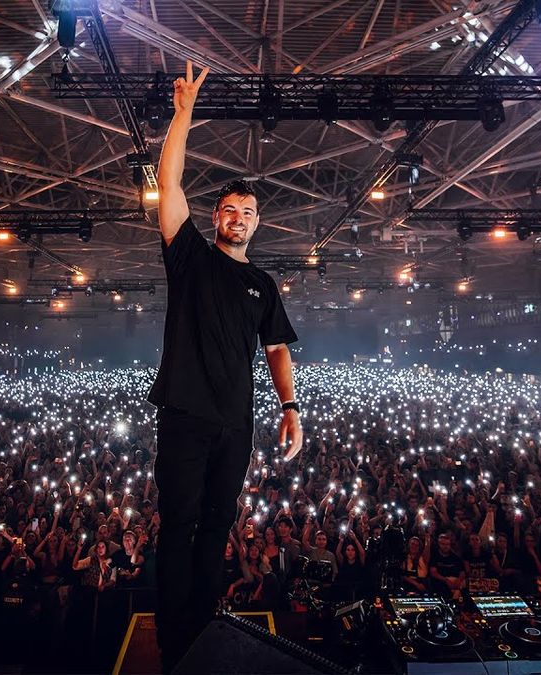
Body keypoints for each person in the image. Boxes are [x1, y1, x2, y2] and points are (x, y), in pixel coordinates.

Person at [148, 60, 303, 672]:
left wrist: (291, 409)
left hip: (236, 423)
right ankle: (173, 636)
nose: (237, 218)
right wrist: (182, 116)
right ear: (216, 217)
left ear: (257, 222)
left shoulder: (262, 284)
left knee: (217, 527)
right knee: (178, 524)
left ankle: (204, 616)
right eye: (229, 209)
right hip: (185, 416)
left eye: (248, 212)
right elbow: (169, 179)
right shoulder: (187, 256)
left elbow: (277, 349)